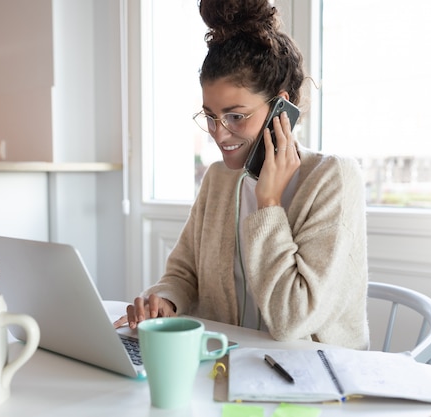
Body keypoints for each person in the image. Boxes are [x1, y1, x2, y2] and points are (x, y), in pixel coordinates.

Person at [114, 0, 369, 349]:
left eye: (236, 116)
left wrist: (268, 203)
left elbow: (290, 320)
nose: (218, 134)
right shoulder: (219, 178)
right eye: (210, 116)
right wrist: (166, 298)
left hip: (312, 377)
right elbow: (183, 272)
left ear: (282, 108)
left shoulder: (332, 178)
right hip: (228, 365)